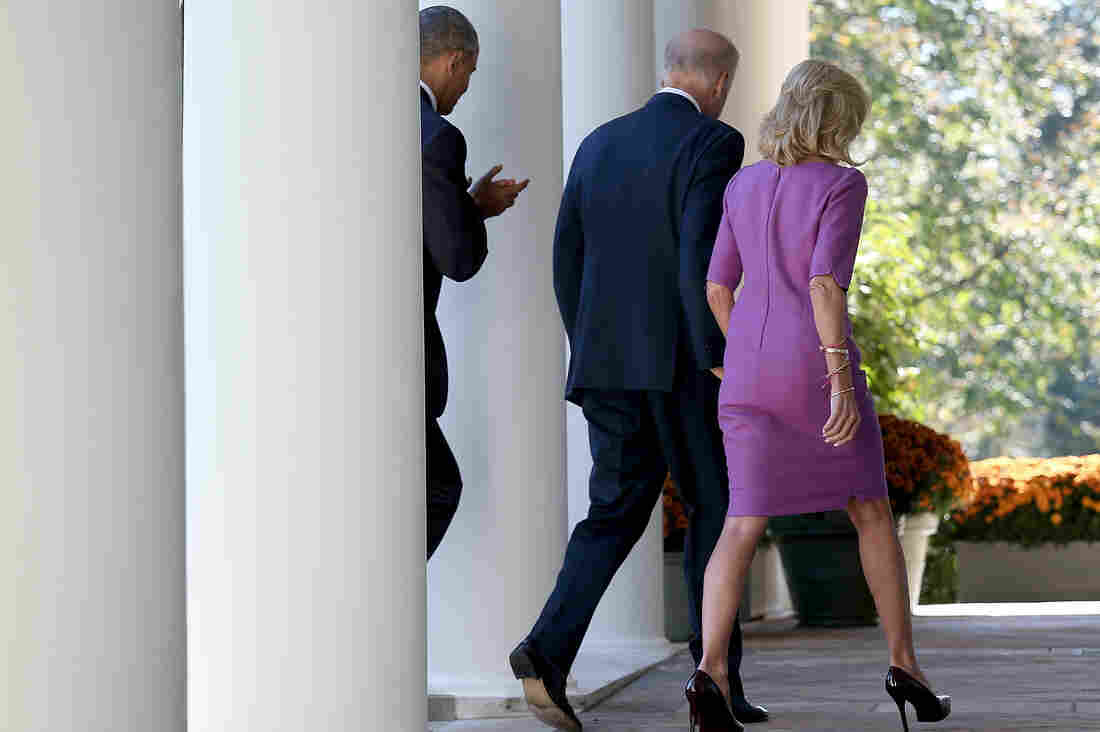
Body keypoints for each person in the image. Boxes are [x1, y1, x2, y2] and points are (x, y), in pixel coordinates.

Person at [509, 29, 767, 731]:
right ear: (719, 82)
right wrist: (716, 354)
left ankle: (546, 649)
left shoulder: (598, 142)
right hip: (683, 367)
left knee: (614, 513)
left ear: (669, 71)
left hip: (606, 368)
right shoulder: (714, 143)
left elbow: (567, 256)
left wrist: (590, 346)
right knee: (715, 510)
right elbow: (697, 258)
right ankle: (716, 680)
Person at [684, 60, 952, 732]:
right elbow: (825, 284)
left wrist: (750, 353)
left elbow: (717, 288)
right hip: (813, 367)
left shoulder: (743, 183)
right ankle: (905, 667)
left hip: (747, 374)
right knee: (870, 510)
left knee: (741, 523)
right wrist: (838, 381)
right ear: (837, 121)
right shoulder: (841, 183)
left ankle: (710, 673)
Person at [419, 6, 530, 559]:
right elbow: (457, 257)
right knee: (438, 488)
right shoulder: (437, 137)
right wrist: (475, 210)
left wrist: (462, 204)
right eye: (469, 74)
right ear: (454, 61)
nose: (465, 89)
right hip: (397, 358)